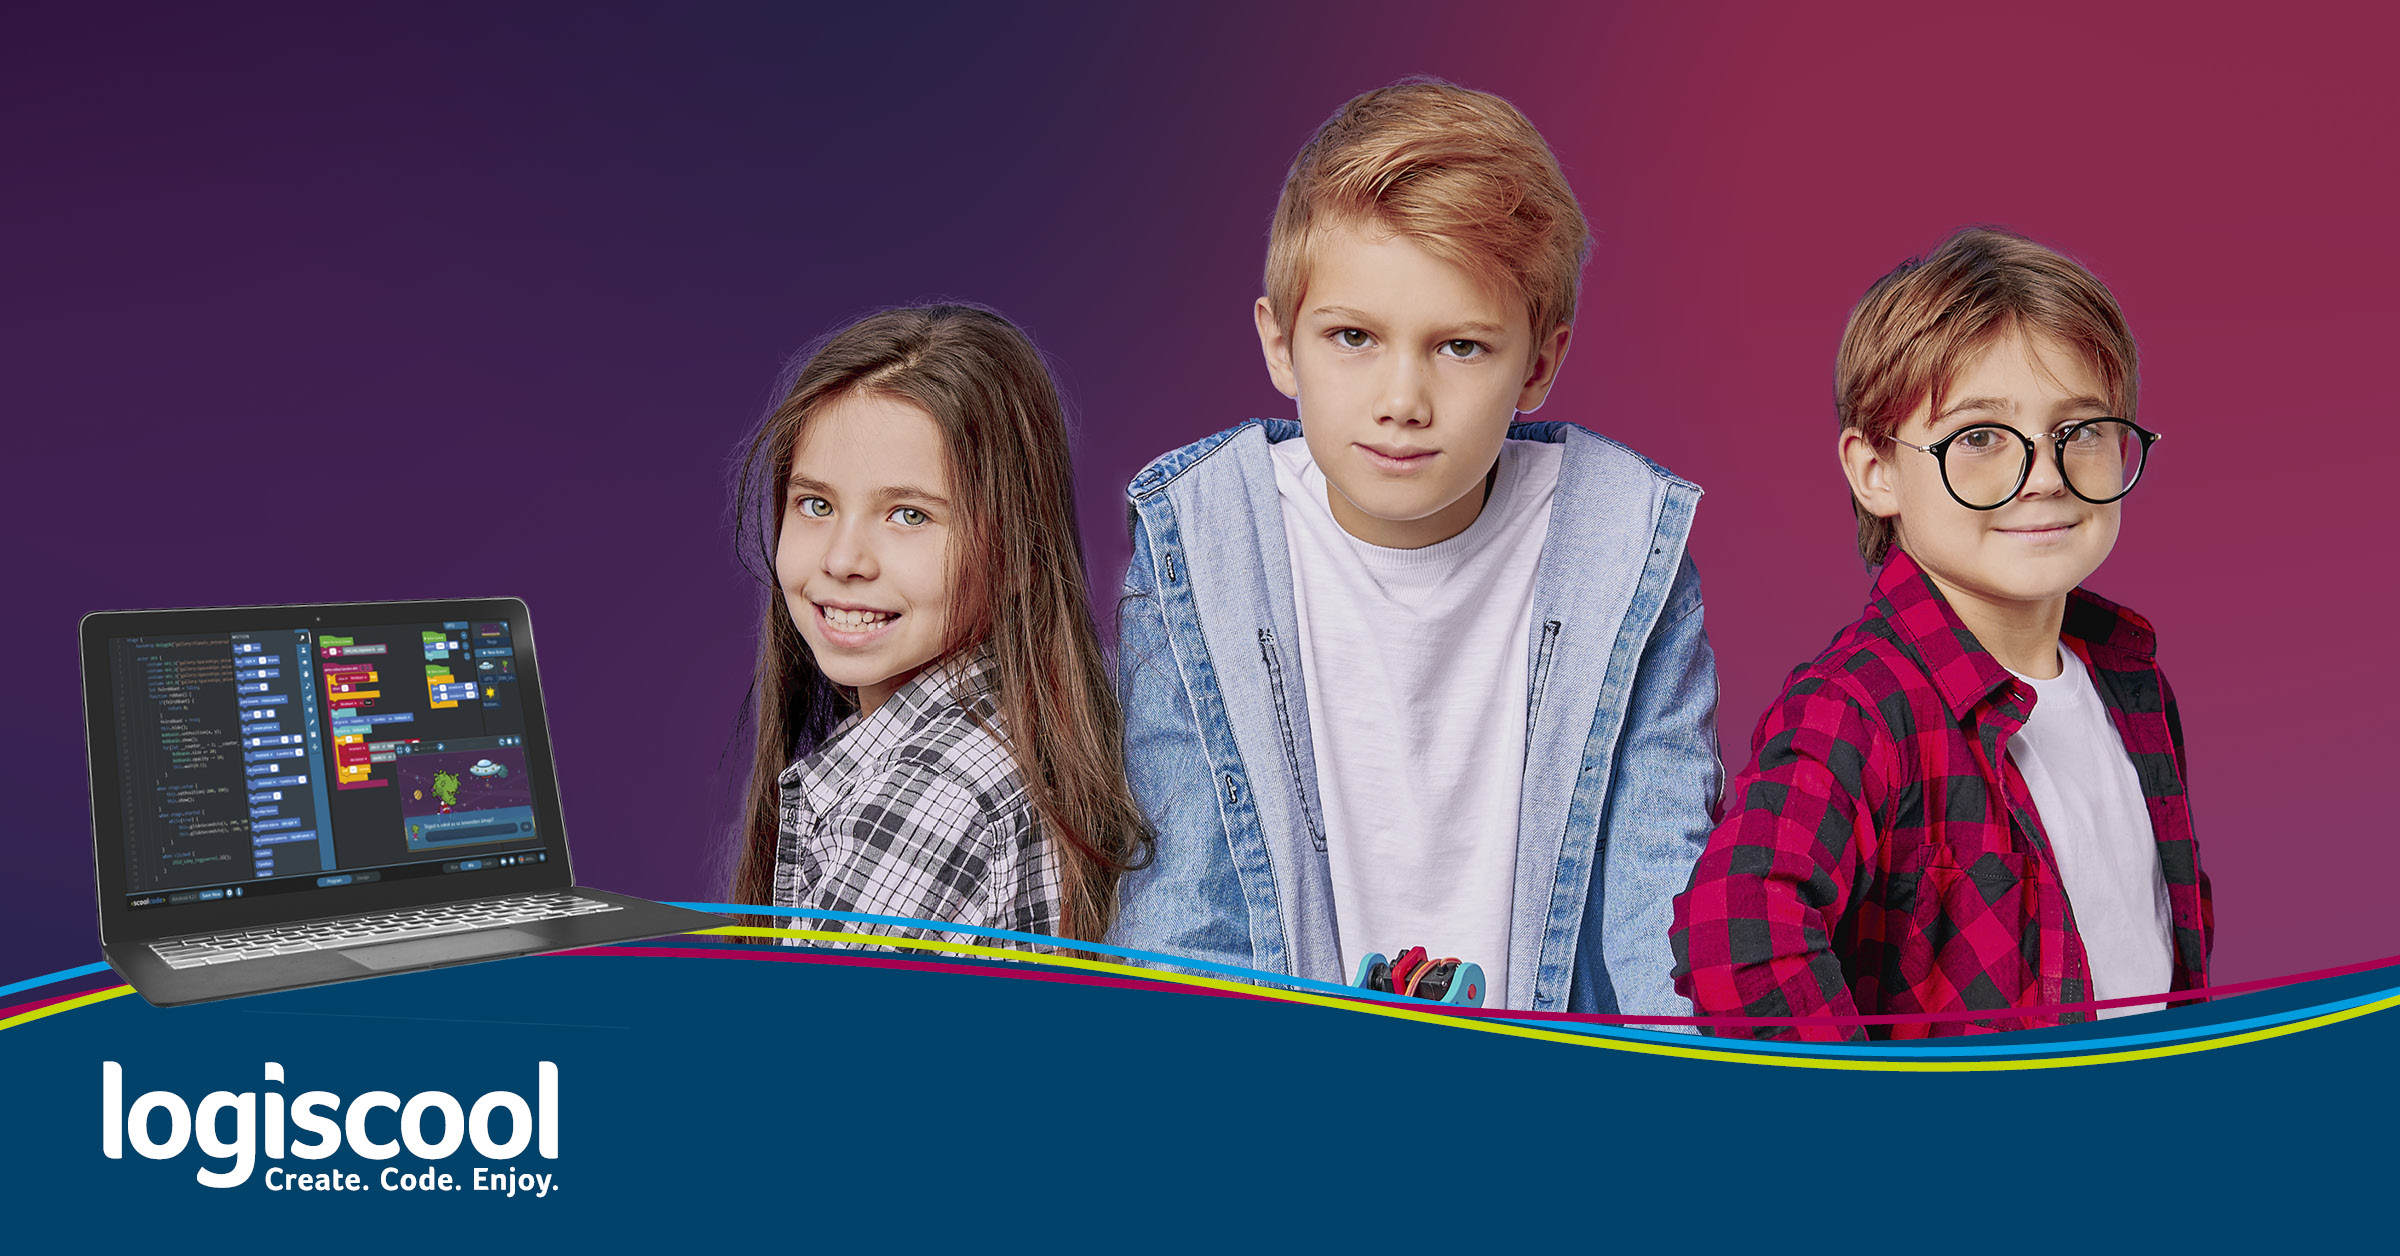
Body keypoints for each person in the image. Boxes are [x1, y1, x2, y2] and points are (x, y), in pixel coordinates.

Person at [1111, 79, 1721, 1017]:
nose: (1403, 398)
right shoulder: (1203, 539)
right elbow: (1186, 905)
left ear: (1541, 363)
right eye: (1353, 336)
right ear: (1280, 345)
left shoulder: (1625, 547)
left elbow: (1657, 905)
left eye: (1461, 347)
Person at [1671, 227, 2211, 1040]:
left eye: (2083, 431)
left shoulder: (2133, 687)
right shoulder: (1855, 707)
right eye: (1981, 438)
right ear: (1874, 471)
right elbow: (1734, 933)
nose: (2044, 478)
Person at [725, 304, 1150, 948]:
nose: (842, 560)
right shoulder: (1022, 732)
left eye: (909, 516)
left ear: (1012, 540)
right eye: (816, 505)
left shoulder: (935, 793)